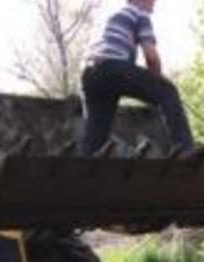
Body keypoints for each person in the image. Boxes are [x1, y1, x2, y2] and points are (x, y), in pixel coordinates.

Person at [81, 0, 194, 156]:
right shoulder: (138, 14)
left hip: (90, 74)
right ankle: (186, 149)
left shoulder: (112, 16)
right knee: (168, 91)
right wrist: (158, 83)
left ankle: (87, 166)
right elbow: (151, 57)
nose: (155, 3)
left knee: (96, 132)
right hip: (113, 68)